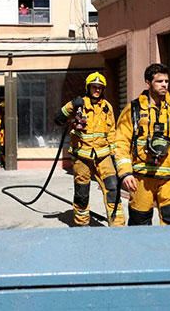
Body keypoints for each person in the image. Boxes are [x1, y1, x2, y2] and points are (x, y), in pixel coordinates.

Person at [114, 63, 170, 226]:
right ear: (148, 82)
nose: (164, 85)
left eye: (166, 81)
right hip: (142, 179)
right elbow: (121, 143)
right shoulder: (133, 110)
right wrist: (126, 173)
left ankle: (169, 252)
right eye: (159, 81)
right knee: (140, 226)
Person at [54, 72, 124, 227]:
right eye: (94, 87)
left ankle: (118, 225)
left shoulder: (107, 108)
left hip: (103, 155)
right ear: (88, 87)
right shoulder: (79, 104)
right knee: (82, 193)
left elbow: (112, 132)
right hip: (82, 156)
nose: (97, 90)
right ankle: (82, 225)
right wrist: (72, 105)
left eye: (100, 88)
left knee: (113, 188)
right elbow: (58, 119)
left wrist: (114, 155)